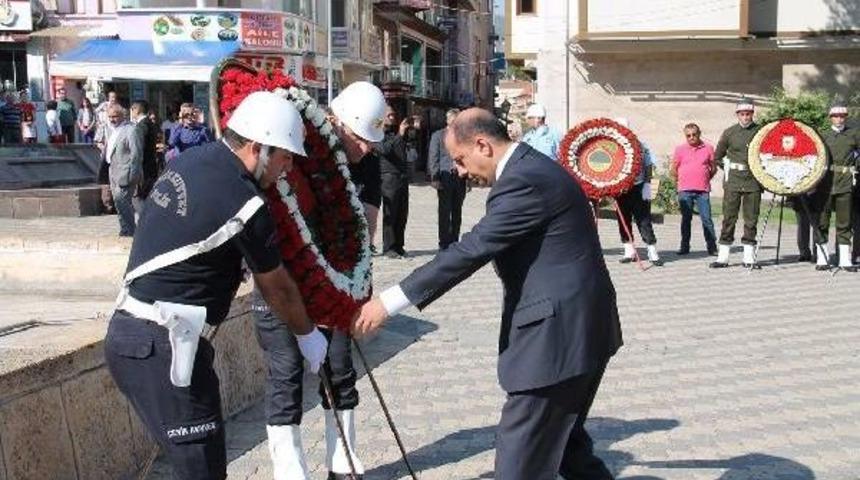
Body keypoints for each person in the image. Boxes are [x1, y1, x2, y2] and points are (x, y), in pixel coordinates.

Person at [353, 108, 622, 480]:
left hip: (558, 339)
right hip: (580, 330)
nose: (460, 171)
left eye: (461, 160)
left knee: (519, 463)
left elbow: (472, 249)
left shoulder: (524, 179)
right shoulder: (529, 168)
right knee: (568, 452)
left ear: (483, 145)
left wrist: (388, 302)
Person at [105, 91, 328, 480]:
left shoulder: (193, 161)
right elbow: (277, 287)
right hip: (162, 344)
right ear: (258, 148)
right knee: (203, 472)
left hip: (140, 336)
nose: (287, 168)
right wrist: (308, 335)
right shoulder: (245, 200)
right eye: (285, 157)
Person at [251, 81, 386, 480]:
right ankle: (290, 471)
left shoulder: (369, 165)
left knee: (341, 370)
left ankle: (342, 463)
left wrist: (345, 279)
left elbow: (367, 229)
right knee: (286, 374)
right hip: (281, 283)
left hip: (335, 285)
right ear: (336, 123)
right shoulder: (294, 146)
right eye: (361, 139)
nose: (368, 149)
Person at [710, 99, 762, 268]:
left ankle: (748, 258)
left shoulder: (760, 132)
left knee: (751, 219)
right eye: (742, 114)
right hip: (733, 181)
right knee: (729, 218)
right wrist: (728, 168)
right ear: (737, 114)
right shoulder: (729, 132)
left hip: (753, 181)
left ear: (752, 114)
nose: (745, 117)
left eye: (748, 114)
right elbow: (717, 156)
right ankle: (723, 257)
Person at [815, 103, 859, 272]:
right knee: (822, 222)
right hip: (825, 183)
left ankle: (845, 260)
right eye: (836, 116)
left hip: (845, 183)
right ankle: (822, 258)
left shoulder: (853, 135)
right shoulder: (823, 136)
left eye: (842, 116)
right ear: (830, 118)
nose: (839, 119)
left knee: (844, 223)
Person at [615, 118, 662, 266]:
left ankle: (652, 251)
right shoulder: (612, 146)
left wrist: (648, 184)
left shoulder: (640, 144)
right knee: (623, 220)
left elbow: (648, 165)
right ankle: (629, 251)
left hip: (638, 186)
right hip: (620, 189)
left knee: (643, 220)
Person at [671, 123, 718, 256]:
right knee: (686, 219)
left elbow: (713, 167)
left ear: (699, 133)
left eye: (694, 134)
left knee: (707, 219)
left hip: (702, 190)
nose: (691, 137)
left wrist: (706, 178)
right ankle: (684, 246)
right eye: (688, 135)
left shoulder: (708, 148)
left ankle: (712, 247)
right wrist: (679, 183)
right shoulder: (680, 149)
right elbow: (673, 169)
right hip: (685, 190)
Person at [428, 109, 467, 250]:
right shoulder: (438, 135)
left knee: (457, 211)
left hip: (460, 178)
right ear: (448, 120)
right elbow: (433, 157)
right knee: (444, 211)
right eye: (454, 119)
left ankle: (454, 240)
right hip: (444, 177)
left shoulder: (463, 136)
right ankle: (444, 242)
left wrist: (468, 178)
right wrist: (434, 177)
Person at [375, 105, 410, 258]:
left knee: (402, 213)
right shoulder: (377, 134)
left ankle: (399, 245)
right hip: (388, 177)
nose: (392, 117)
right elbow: (384, 150)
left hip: (402, 177)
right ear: (382, 117)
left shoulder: (395, 134)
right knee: (391, 213)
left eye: (393, 115)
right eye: (389, 115)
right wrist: (400, 135)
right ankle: (388, 247)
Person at [106, 104, 143, 237]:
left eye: (115, 116)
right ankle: (125, 229)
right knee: (118, 203)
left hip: (126, 173)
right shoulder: (112, 130)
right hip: (113, 171)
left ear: (123, 116)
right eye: (109, 116)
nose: (112, 119)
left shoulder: (130, 130)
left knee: (123, 201)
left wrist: (133, 174)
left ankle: (131, 230)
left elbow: (136, 154)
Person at [131, 100, 161, 200]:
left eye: (132, 109)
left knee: (143, 198)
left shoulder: (141, 126)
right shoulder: (151, 124)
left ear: (137, 110)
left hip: (144, 168)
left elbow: (138, 148)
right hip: (151, 165)